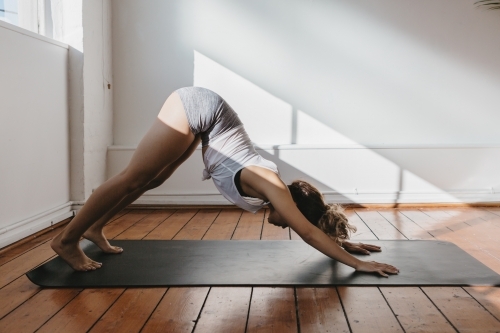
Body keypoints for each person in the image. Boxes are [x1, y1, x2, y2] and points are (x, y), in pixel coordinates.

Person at [51, 87, 399, 277]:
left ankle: (95, 227)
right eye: (292, 221)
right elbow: (308, 232)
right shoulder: (272, 188)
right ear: (294, 209)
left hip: (207, 121)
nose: (285, 227)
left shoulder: (275, 191)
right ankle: (67, 240)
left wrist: (342, 243)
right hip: (198, 106)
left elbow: (311, 227)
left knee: (152, 181)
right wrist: (357, 265)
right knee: (134, 178)